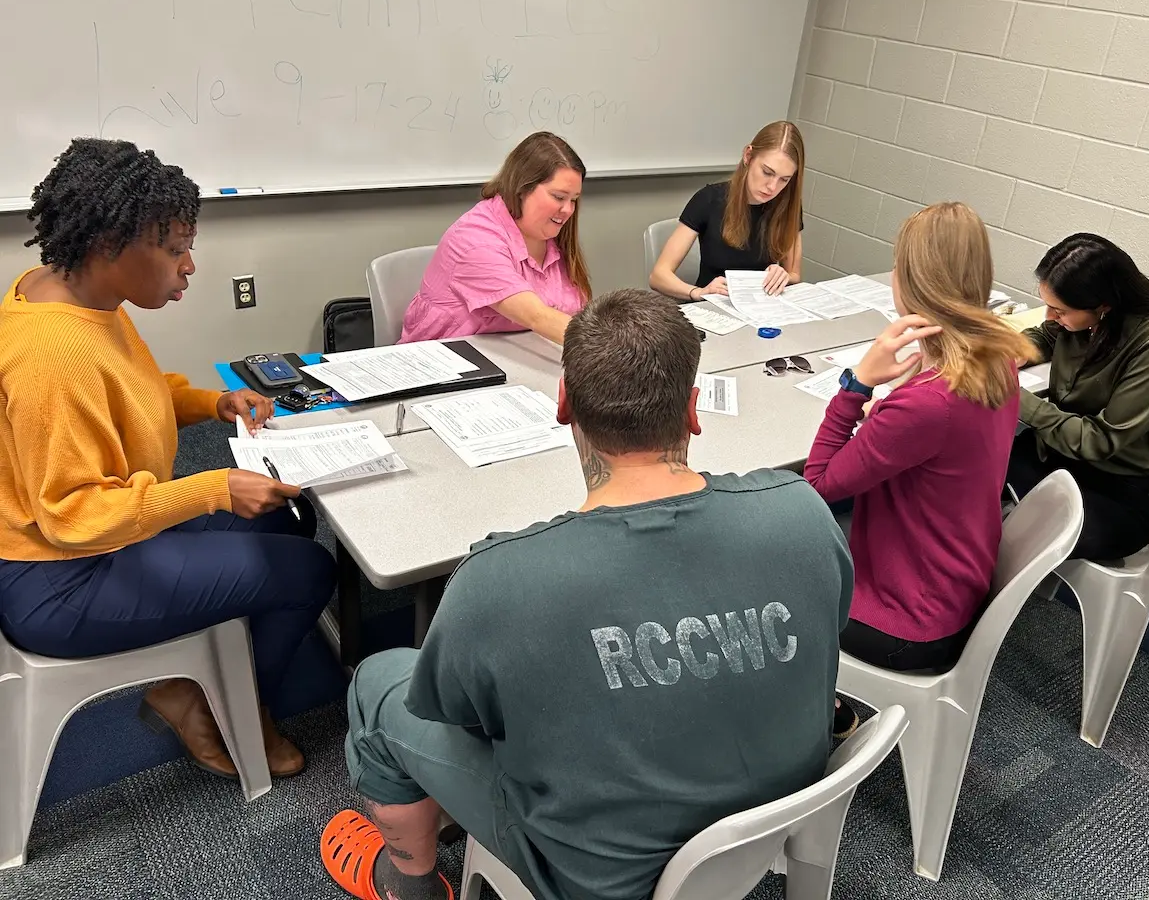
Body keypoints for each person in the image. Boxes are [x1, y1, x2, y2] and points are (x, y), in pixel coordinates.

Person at [326, 289, 852, 900]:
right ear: (692, 410)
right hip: (772, 815)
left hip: (592, 879)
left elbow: (458, 715)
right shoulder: (804, 514)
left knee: (377, 684)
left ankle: (408, 883)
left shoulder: (499, 579)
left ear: (564, 405)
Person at [0, 138, 337, 779]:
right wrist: (213, 489)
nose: (189, 266)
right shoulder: (50, 354)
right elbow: (73, 517)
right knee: (308, 572)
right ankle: (210, 704)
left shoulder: (73, 295)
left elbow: (132, 394)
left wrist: (214, 402)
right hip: (60, 576)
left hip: (101, 532)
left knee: (284, 522)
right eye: (176, 249)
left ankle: (215, 670)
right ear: (109, 245)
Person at [804, 203, 1036, 680]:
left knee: (759, 581)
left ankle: (816, 719)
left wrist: (857, 385)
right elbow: (941, 442)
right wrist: (886, 415)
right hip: (955, 581)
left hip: (906, 620)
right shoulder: (997, 360)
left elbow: (818, 487)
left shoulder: (927, 405)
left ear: (911, 283)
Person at [1006, 233, 1149, 562]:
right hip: (1058, 457)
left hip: (1117, 491)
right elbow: (1047, 333)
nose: (1050, 316)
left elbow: (1098, 440)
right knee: (960, 478)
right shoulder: (1089, 318)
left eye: (1059, 310)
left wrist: (1015, 398)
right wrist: (1013, 352)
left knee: (997, 529)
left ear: (1104, 305)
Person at [399, 132, 591, 345]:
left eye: (574, 200)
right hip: (442, 365)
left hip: (515, 359)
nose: (568, 210)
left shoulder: (553, 238)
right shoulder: (474, 240)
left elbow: (573, 312)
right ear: (522, 188)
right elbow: (537, 316)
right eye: (558, 197)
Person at [648, 120, 805, 301]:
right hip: (711, 306)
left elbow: (794, 274)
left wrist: (782, 276)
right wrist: (697, 292)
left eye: (784, 180)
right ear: (748, 156)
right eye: (767, 172)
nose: (772, 187)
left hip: (760, 306)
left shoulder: (787, 206)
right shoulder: (708, 199)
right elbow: (658, 276)